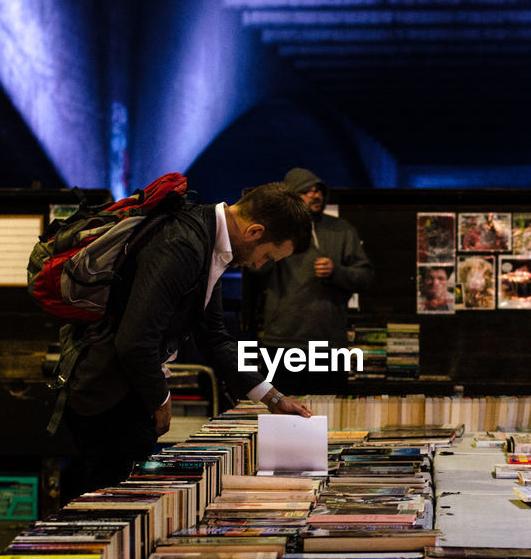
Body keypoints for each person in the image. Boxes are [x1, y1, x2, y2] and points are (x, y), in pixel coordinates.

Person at [63, 181, 314, 496]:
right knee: (105, 515)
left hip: (128, 391)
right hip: (109, 397)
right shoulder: (183, 243)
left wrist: (274, 399)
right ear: (254, 232)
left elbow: (214, 337)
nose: (258, 265)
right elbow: (135, 340)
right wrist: (161, 400)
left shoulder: (211, 245)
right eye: (267, 257)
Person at [258, 168, 374, 394]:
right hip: (282, 340)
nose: (315, 195)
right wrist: (277, 235)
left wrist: (336, 272)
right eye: (306, 191)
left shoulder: (341, 229)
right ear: (290, 197)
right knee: (279, 413)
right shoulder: (278, 229)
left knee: (330, 414)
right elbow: (255, 271)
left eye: (318, 190)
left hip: (328, 342)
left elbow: (365, 277)